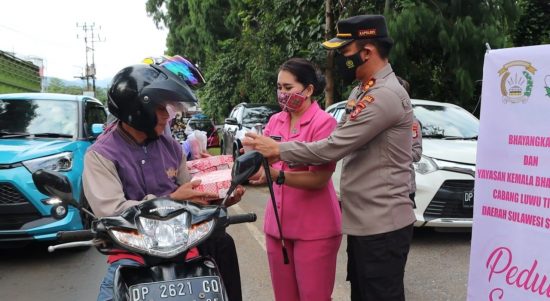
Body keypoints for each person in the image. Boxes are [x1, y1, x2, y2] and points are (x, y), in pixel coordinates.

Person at [244, 15, 416, 301]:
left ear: (367, 51)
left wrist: (279, 150)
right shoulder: (363, 90)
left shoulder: (384, 95)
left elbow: (332, 147)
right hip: (366, 222)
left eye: (344, 53)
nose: (338, 60)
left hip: (383, 224)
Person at [82, 55, 245, 301]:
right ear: (137, 109)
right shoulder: (100, 155)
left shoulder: (171, 147)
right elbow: (111, 211)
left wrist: (218, 200)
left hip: (182, 242)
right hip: (132, 247)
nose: (168, 116)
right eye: (160, 109)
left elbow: (189, 192)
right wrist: (170, 199)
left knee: (222, 243)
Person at [248, 58, 342, 301]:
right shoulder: (275, 121)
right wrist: (249, 159)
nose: (282, 94)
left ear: (308, 90)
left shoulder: (324, 124)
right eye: (279, 87)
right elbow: (263, 160)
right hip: (277, 226)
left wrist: (279, 175)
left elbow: (319, 178)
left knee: (314, 297)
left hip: (315, 229)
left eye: (288, 88)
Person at [396, 76, 423, 208]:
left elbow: (416, 154)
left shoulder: (411, 122)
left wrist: (394, 153)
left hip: (404, 187)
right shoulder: (379, 117)